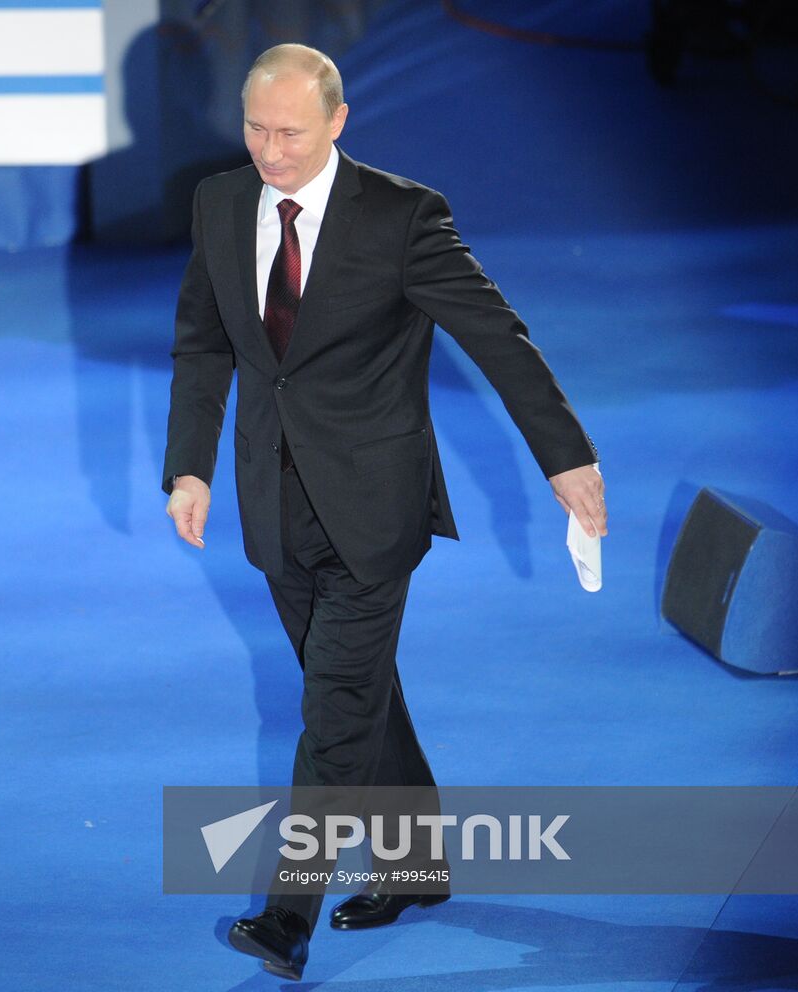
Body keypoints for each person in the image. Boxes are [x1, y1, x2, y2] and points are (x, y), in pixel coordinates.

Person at [161, 43, 607, 981]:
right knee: (361, 697)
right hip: (272, 503)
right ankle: (417, 867)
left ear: (337, 122)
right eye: (254, 128)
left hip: (374, 507)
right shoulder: (219, 202)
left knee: (332, 711)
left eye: (288, 132)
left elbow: (497, 336)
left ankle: (288, 917)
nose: (269, 151)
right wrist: (190, 468)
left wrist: (564, 457)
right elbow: (204, 344)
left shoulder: (404, 218)